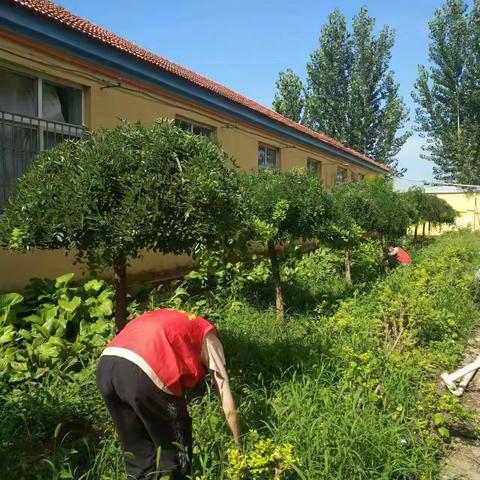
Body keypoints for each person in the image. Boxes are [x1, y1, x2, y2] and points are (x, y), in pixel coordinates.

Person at [96, 308, 240, 480]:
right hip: (144, 370)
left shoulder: (169, 316)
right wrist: (239, 446)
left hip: (106, 365)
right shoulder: (209, 335)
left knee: (138, 455)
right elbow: (225, 393)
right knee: (176, 446)